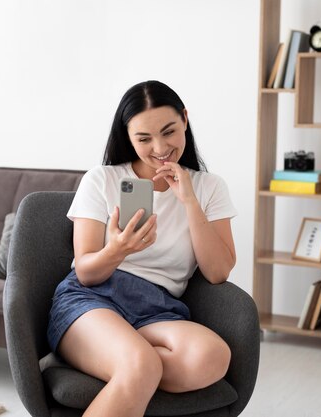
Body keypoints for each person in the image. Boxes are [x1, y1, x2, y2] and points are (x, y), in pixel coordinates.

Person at [47, 80, 237, 417]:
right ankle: (121, 357)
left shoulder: (209, 187)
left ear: (185, 120)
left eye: (169, 132)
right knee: (142, 363)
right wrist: (118, 249)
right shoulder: (101, 180)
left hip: (157, 309)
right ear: (128, 137)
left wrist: (189, 201)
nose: (161, 147)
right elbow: (87, 272)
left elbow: (218, 271)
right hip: (93, 298)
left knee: (212, 357)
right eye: (144, 139)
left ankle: (105, 357)